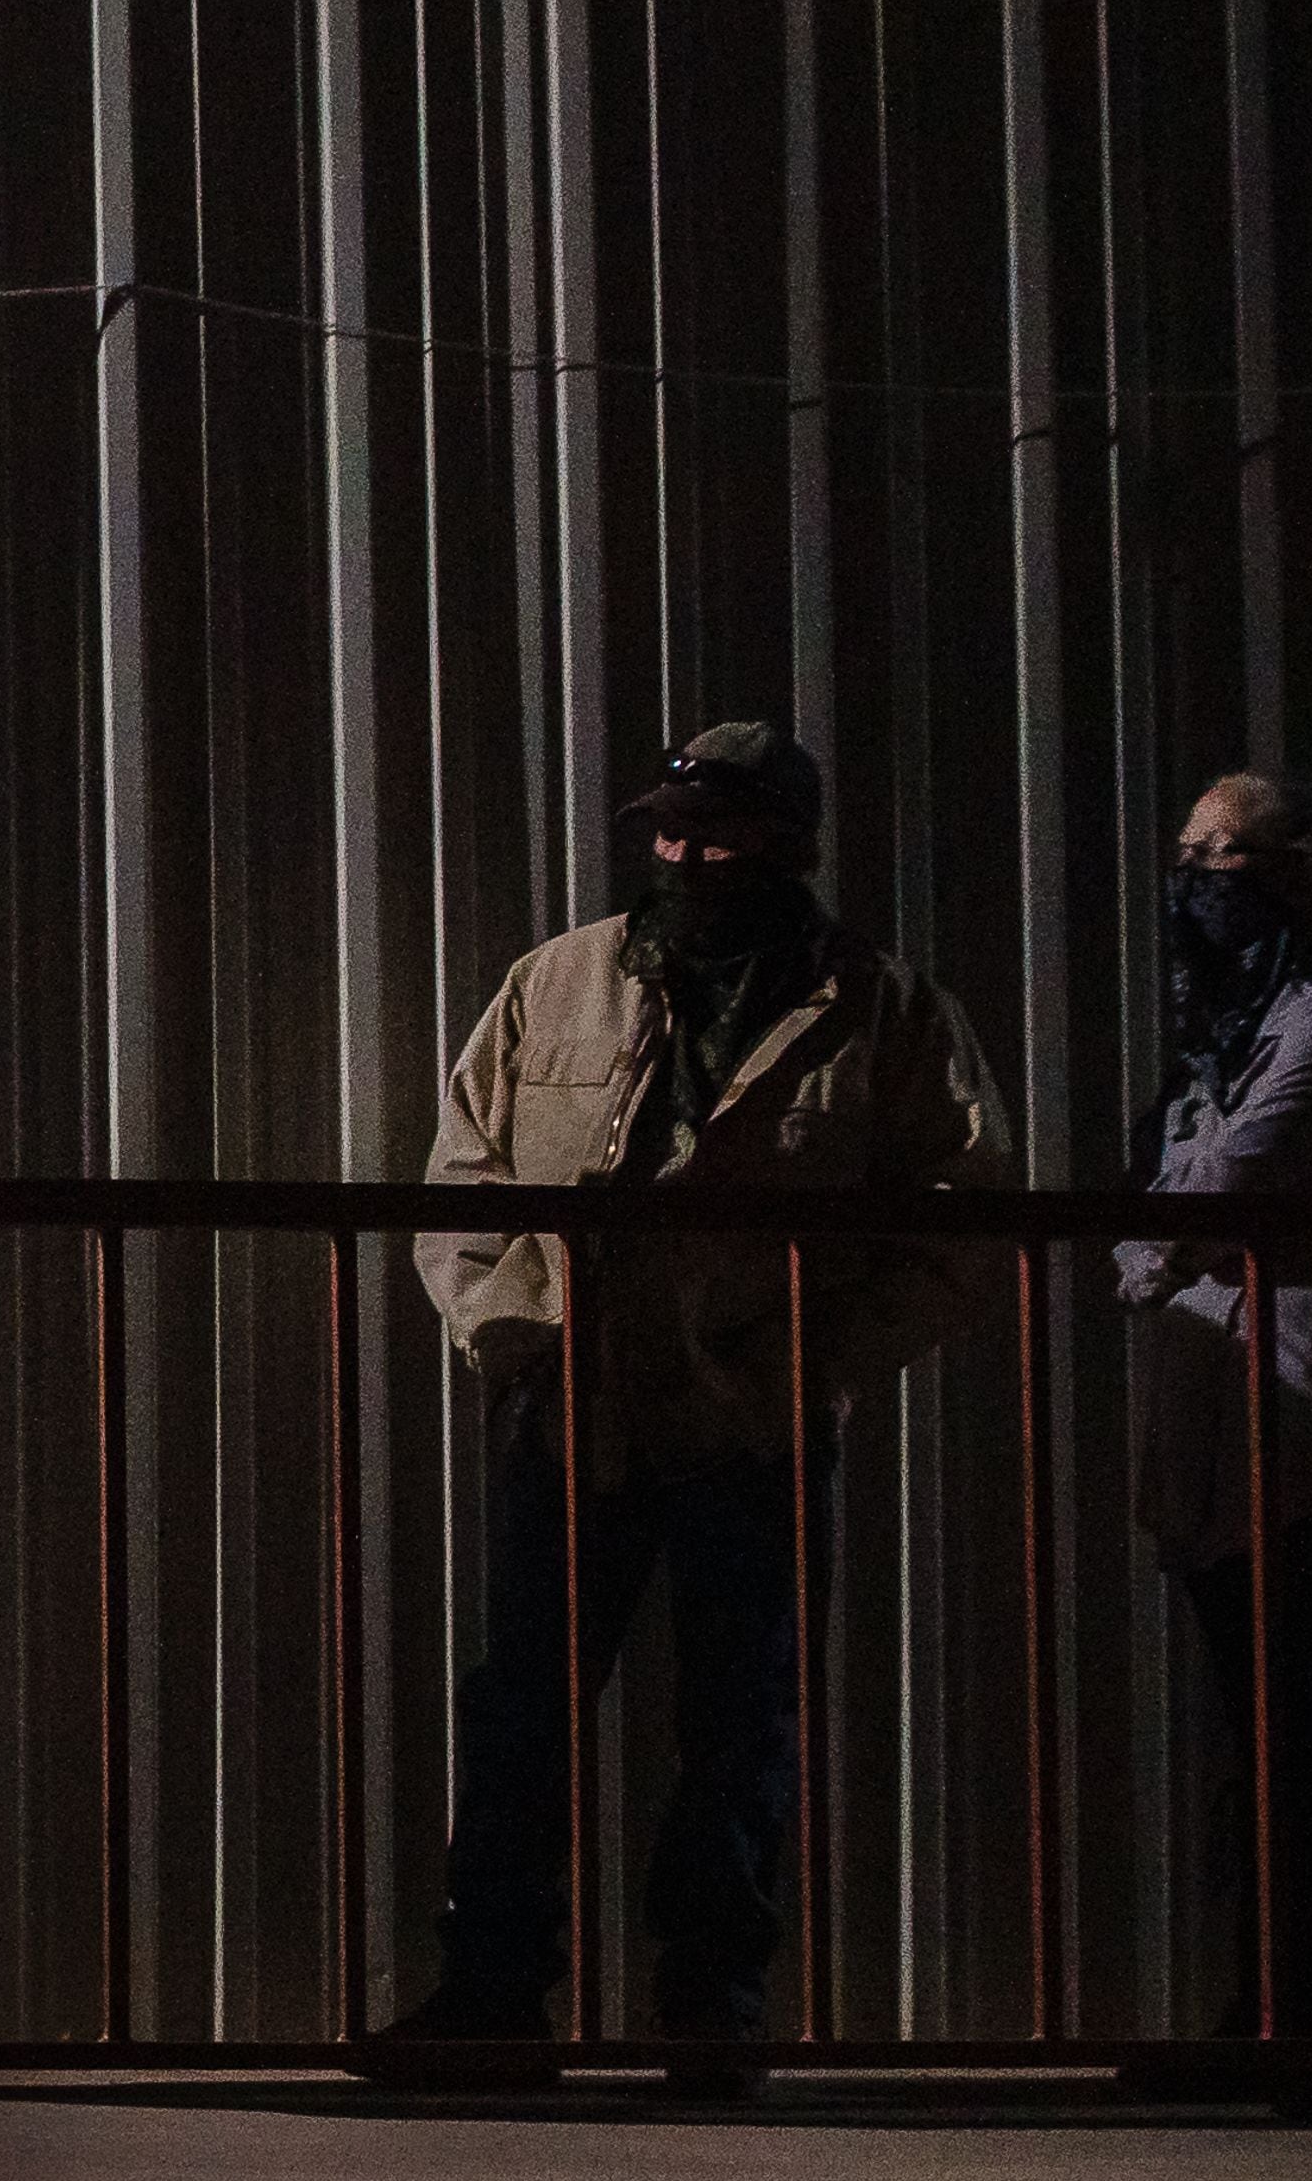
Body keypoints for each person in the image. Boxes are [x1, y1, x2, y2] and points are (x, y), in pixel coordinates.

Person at [391, 723, 1006, 2089]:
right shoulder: (559, 983)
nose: (681, 854)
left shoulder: (883, 1010)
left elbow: (965, 1215)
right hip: (576, 1407)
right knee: (520, 1711)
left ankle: (711, 2005)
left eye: (715, 832)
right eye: (667, 829)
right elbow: (464, 1173)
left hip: (755, 1423)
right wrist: (515, 1337)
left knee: (740, 1716)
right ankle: (491, 1997)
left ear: (788, 845)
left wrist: (817, 1362)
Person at [1113, 773, 1312, 2041]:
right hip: (1221, 1411)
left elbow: (1231, 1174)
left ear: (1305, 871)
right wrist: (1164, 1242)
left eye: (1227, 853)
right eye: (1187, 849)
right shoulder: (1229, 1024)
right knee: (1262, 1725)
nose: (1197, 877)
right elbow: (1160, 1213)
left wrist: (1168, 1239)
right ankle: (1275, 2011)